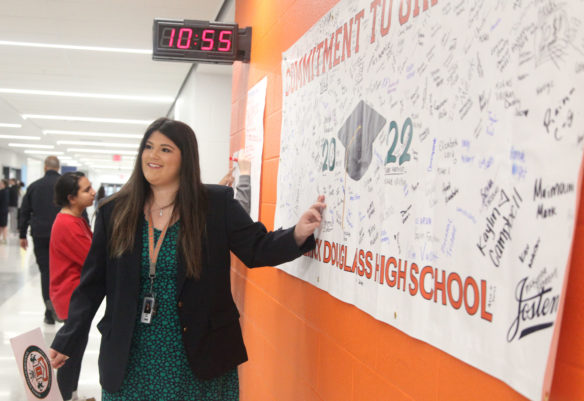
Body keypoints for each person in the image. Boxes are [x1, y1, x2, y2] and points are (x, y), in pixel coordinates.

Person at [49, 117, 325, 401]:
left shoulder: (215, 205)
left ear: (185, 157)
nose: (153, 156)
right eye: (148, 147)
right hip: (131, 355)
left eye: (165, 149)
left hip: (197, 354)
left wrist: (297, 234)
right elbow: (92, 284)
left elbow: (256, 248)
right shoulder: (115, 211)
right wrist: (69, 336)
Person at [49, 172, 96, 401]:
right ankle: (65, 396)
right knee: (69, 351)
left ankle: (71, 394)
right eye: (87, 190)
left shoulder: (76, 219)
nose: (93, 192)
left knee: (75, 349)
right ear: (71, 197)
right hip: (70, 294)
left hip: (75, 293)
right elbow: (91, 257)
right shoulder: (68, 224)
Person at [19, 156, 62, 324]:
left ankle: (49, 312)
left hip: (40, 234)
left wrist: (23, 235)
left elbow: (24, 212)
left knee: (46, 272)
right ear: (58, 168)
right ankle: (61, 310)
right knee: (60, 272)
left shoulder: (34, 187)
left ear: (45, 167)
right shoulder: (64, 186)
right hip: (61, 235)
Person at [0, 179, 9, 244]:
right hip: (4, 210)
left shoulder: (3, 192)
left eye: (1, 183)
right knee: (2, 225)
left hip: (2, 211)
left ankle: (4, 238)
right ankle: (3, 238)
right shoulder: (6, 191)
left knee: (3, 225)